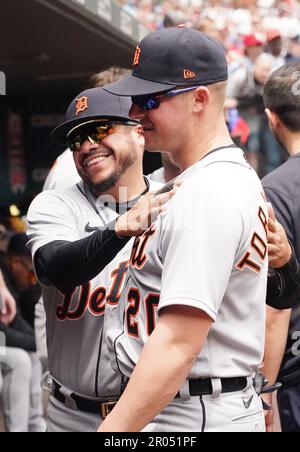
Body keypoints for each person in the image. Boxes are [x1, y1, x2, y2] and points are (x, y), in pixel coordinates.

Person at [100, 27, 269, 432]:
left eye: (150, 100)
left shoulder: (209, 191)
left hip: (194, 412)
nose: (136, 114)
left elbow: (177, 345)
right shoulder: (214, 179)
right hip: (198, 403)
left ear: (199, 99)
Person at [27, 87, 175, 432]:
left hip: (158, 417)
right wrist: (119, 229)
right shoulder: (55, 205)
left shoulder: (176, 200)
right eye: (76, 139)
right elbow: (54, 267)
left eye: (101, 129)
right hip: (72, 416)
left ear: (139, 132)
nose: (86, 145)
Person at [262, 63, 300, 433]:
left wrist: (265, 387)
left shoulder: (272, 191)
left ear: (272, 118)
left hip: (293, 376)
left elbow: (276, 304)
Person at [0, 233, 45, 432]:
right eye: (31, 274)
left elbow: (15, 320)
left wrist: (41, 342)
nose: (32, 281)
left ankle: (35, 425)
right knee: (19, 360)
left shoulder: (8, 282)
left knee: (32, 356)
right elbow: (3, 334)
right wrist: (38, 342)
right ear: (16, 262)